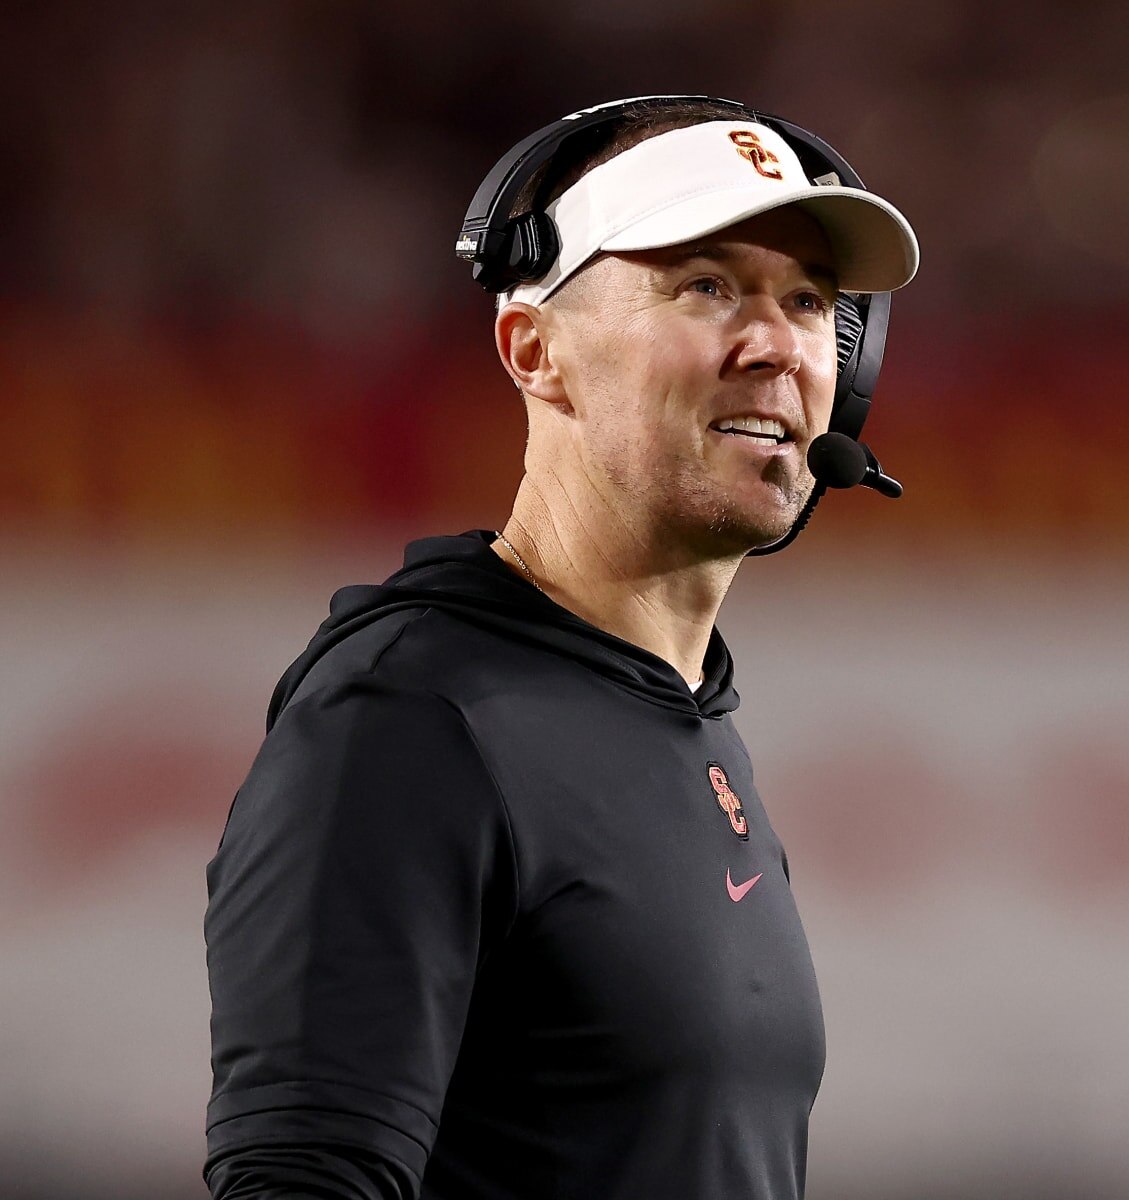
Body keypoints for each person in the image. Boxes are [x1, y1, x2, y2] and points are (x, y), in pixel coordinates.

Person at [202, 96, 919, 1200]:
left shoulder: (687, 721)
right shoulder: (412, 721)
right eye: (706, 285)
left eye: (811, 300)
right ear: (535, 351)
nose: (775, 342)